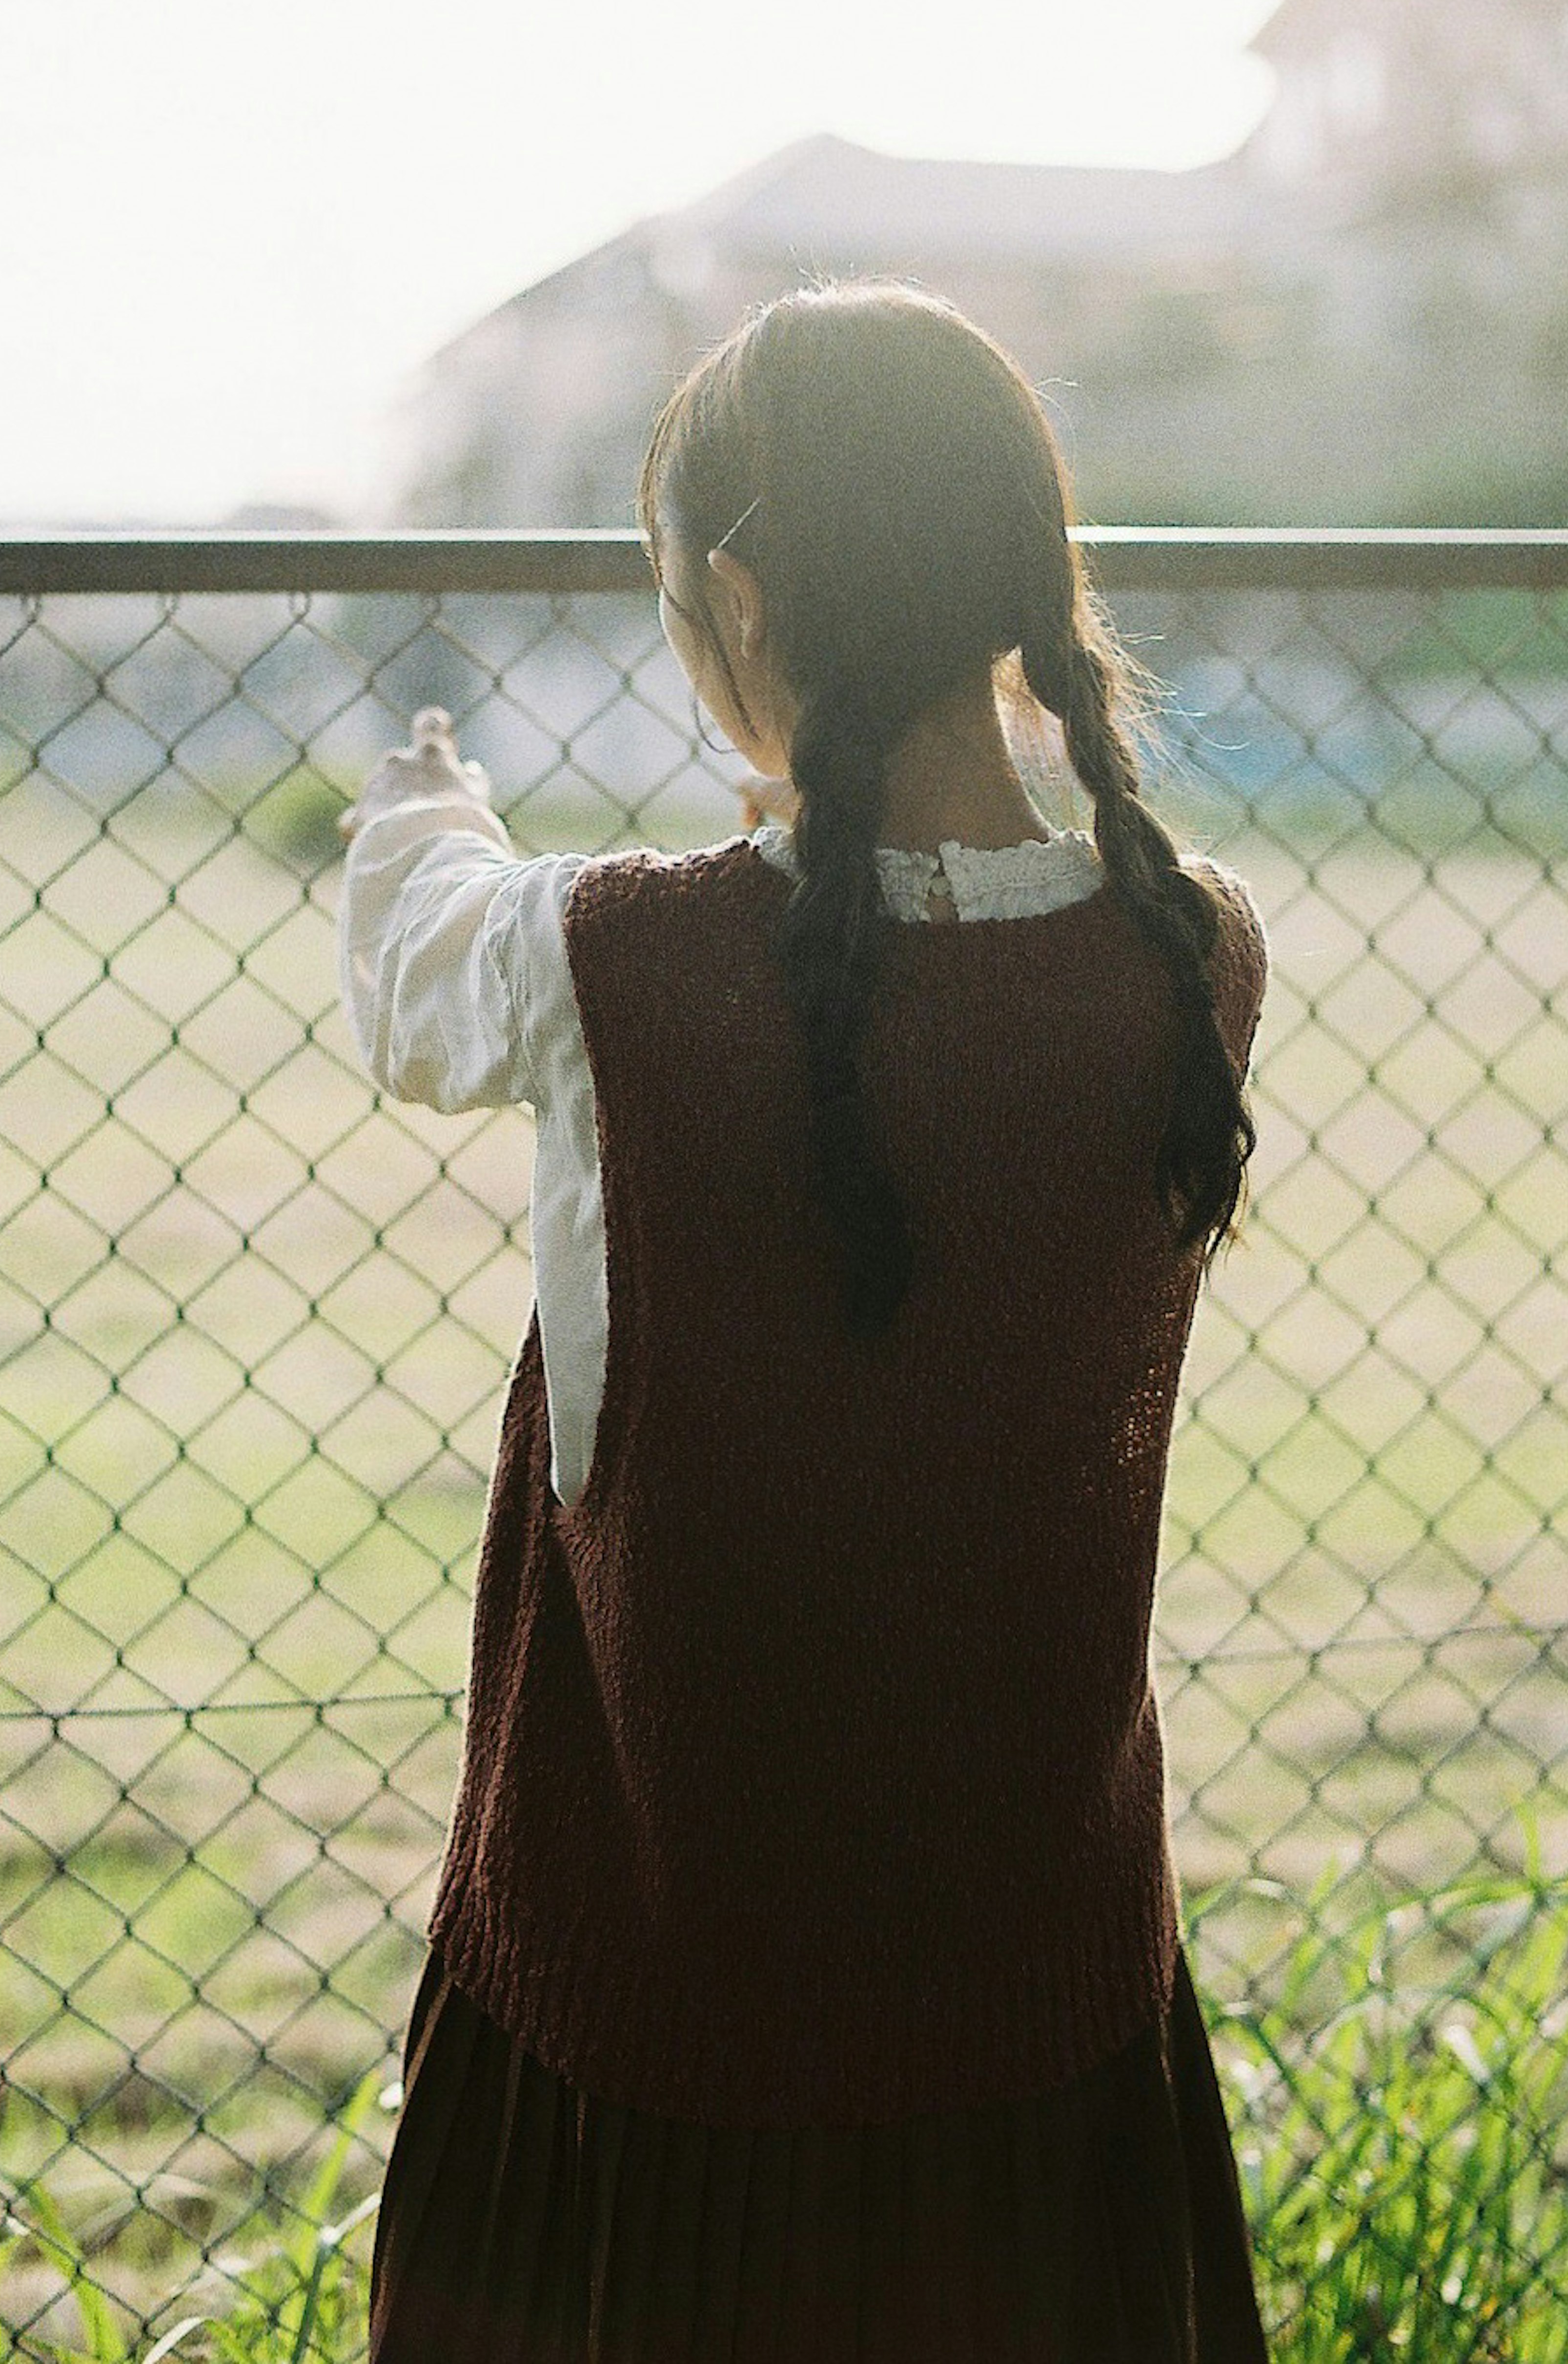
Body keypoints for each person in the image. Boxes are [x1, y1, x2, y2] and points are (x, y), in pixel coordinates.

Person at [337, 280, 1272, 2362]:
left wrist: (420, 789)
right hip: (1046, 1987)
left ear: (741, 597)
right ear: (1025, 580)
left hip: (662, 2001)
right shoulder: (1192, 954)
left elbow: (415, 973)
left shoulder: (621, 965)